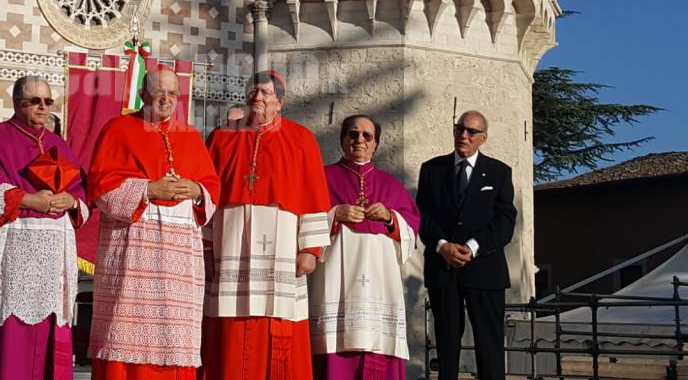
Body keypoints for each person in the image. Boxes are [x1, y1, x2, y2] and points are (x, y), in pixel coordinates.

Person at [86, 65, 220, 380]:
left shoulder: (190, 135)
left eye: (173, 93)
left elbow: (211, 186)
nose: (166, 99)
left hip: (179, 262)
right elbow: (100, 188)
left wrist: (197, 190)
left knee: (174, 336)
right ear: (143, 94)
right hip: (134, 252)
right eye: (159, 92)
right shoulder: (117, 129)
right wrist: (148, 189)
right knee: (126, 331)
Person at [0, 75, 88, 380]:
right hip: (10, 255)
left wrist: (71, 201)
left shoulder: (58, 145)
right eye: (35, 101)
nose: (43, 107)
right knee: (8, 339)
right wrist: (30, 199)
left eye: (48, 101)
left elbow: (81, 194)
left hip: (51, 260)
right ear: (16, 102)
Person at [202, 70, 331, 380]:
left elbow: (314, 194)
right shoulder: (222, 137)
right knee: (230, 318)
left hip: (282, 245)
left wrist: (310, 249)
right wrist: (206, 245)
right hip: (230, 241)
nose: (256, 98)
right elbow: (208, 195)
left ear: (280, 102)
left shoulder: (301, 140)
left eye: (264, 93)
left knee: (278, 319)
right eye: (253, 92)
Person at [309, 115, 420, 380]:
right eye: (353, 134)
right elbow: (305, 221)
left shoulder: (392, 186)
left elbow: (412, 229)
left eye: (366, 136)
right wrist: (334, 214)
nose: (359, 140)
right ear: (342, 140)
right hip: (335, 280)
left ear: (376, 144)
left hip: (380, 284)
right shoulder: (321, 178)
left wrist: (390, 217)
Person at [416, 110, 516, 380]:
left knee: (489, 344)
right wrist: (442, 246)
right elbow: (421, 215)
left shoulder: (499, 173)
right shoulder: (431, 169)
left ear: (483, 138)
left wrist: (472, 246)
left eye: (472, 131)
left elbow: (505, 221)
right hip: (443, 268)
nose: (464, 135)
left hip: (485, 270)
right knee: (446, 343)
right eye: (460, 128)